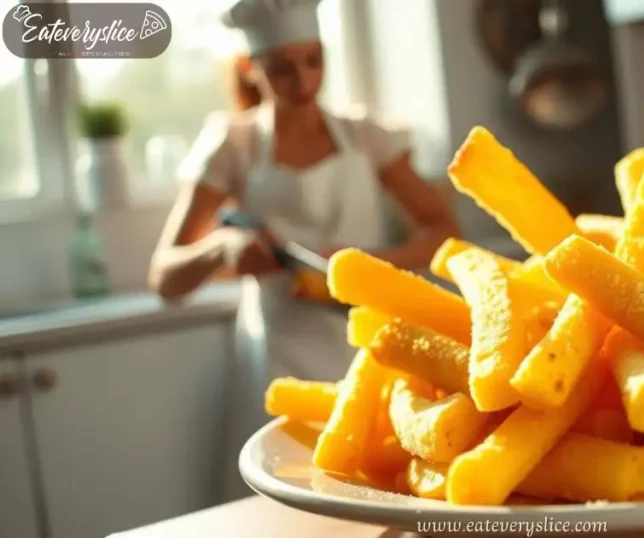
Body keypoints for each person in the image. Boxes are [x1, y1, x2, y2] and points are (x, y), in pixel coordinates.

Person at [147, 0, 459, 500]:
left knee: (378, 485)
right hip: (278, 355)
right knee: (286, 495)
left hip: (369, 347)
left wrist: (363, 264)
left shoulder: (365, 136)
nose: (305, 80)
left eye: (314, 61)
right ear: (254, 70)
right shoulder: (233, 143)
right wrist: (223, 251)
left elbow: (443, 232)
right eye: (283, 69)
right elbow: (165, 276)